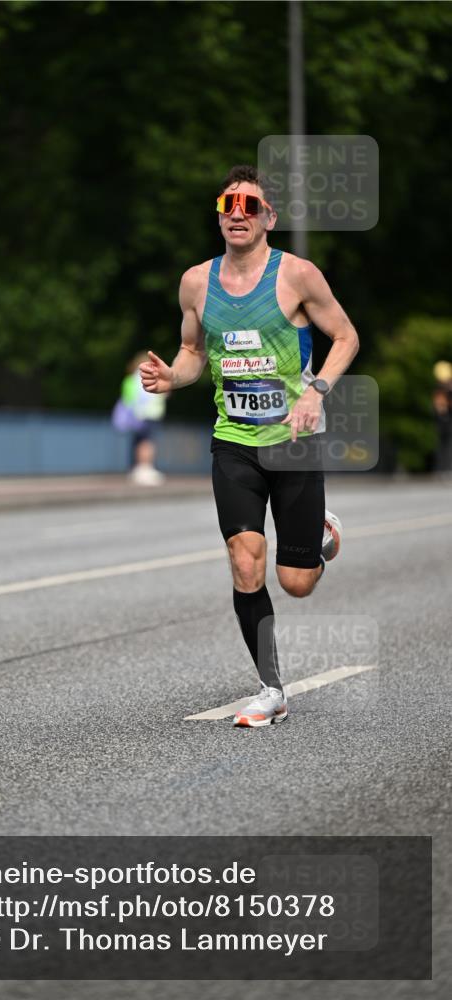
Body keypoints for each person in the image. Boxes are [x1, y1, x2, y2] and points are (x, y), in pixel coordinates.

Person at [140, 165, 359, 727]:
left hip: (294, 441)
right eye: (228, 204)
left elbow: (346, 337)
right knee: (245, 561)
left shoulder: (297, 276)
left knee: (298, 583)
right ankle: (271, 688)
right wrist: (173, 377)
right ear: (219, 216)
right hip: (233, 441)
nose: (238, 212)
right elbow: (193, 352)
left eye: (249, 205)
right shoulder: (196, 283)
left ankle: (319, 534)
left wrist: (316, 391)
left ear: (268, 218)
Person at [120, 352, 168, 485]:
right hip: (149, 414)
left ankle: (138, 469)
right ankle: (145, 469)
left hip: (137, 415)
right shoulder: (150, 377)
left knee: (138, 441)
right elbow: (162, 394)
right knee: (147, 442)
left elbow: (128, 398)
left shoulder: (131, 378)